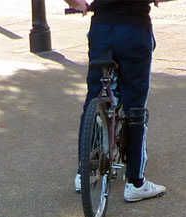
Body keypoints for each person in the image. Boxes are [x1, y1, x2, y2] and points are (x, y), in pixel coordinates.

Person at [67, 0, 166, 202]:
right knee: (135, 107)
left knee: (95, 98)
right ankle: (135, 183)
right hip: (134, 29)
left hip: (101, 29)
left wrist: (76, 3)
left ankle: (84, 172)